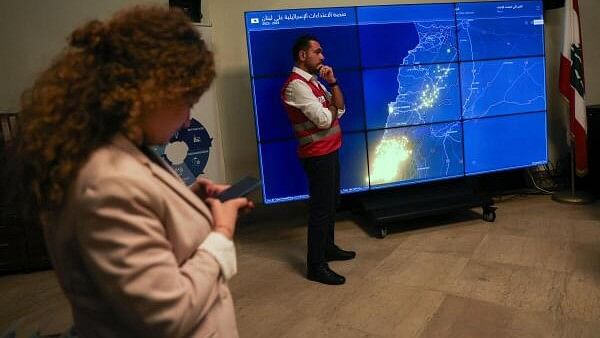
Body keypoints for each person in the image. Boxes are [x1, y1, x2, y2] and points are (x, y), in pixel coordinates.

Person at [17, 6, 252, 337]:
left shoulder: (120, 145)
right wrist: (222, 235)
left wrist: (187, 199)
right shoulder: (106, 183)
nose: (187, 119)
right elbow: (167, 315)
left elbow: (144, 215)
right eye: (186, 101)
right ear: (150, 94)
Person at [281, 35, 356, 285]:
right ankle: (316, 265)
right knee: (321, 210)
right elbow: (324, 120)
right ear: (303, 56)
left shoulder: (316, 83)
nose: (323, 57)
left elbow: (340, 109)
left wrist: (333, 83)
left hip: (331, 149)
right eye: (318, 52)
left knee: (332, 202)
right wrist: (331, 111)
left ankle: (328, 248)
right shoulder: (296, 86)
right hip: (317, 155)